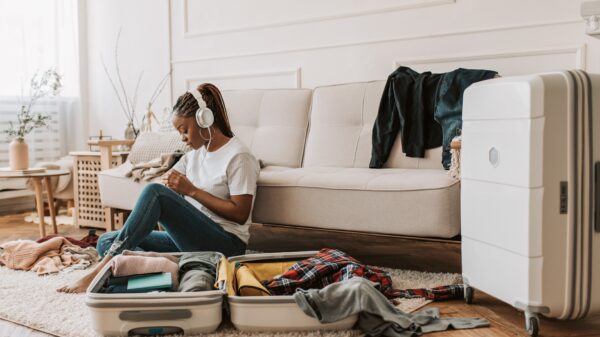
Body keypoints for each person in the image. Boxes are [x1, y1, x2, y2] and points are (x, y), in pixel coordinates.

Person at [57, 83, 260, 293]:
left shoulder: (239, 156)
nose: (182, 138)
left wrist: (192, 191)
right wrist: (172, 189)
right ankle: (172, 271)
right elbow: (164, 184)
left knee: (153, 196)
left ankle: (102, 269)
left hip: (225, 244)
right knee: (107, 240)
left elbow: (240, 213)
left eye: (184, 130)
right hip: (191, 241)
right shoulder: (194, 155)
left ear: (204, 119)